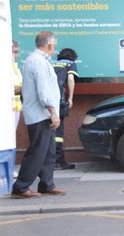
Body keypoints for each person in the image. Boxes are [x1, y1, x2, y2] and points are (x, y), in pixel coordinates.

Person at [11, 31, 66, 199]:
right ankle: (20, 187)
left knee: (48, 152)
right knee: (37, 152)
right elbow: (43, 90)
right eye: (54, 44)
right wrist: (53, 112)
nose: (55, 47)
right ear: (48, 44)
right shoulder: (37, 62)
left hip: (43, 114)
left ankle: (47, 184)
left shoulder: (39, 61)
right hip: (41, 115)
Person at [53, 48, 79, 170]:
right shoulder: (70, 64)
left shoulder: (53, 64)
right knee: (59, 132)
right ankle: (58, 161)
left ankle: (51, 160)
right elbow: (70, 79)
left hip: (49, 101)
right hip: (59, 101)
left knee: (51, 131)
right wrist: (71, 98)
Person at [12, 40, 22, 179]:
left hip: (15, 107)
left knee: (11, 139)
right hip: (7, 109)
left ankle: (9, 167)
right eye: (14, 51)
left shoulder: (15, 67)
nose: (16, 54)